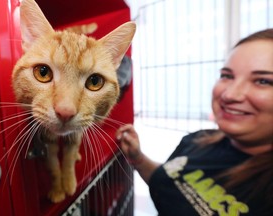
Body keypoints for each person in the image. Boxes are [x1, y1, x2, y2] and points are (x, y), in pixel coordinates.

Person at [116, 29, 273, 216]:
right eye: (227, 76)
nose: (230, 94)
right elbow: (171, 184)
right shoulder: (198, 140)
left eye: (263, 81)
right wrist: (138, 158)